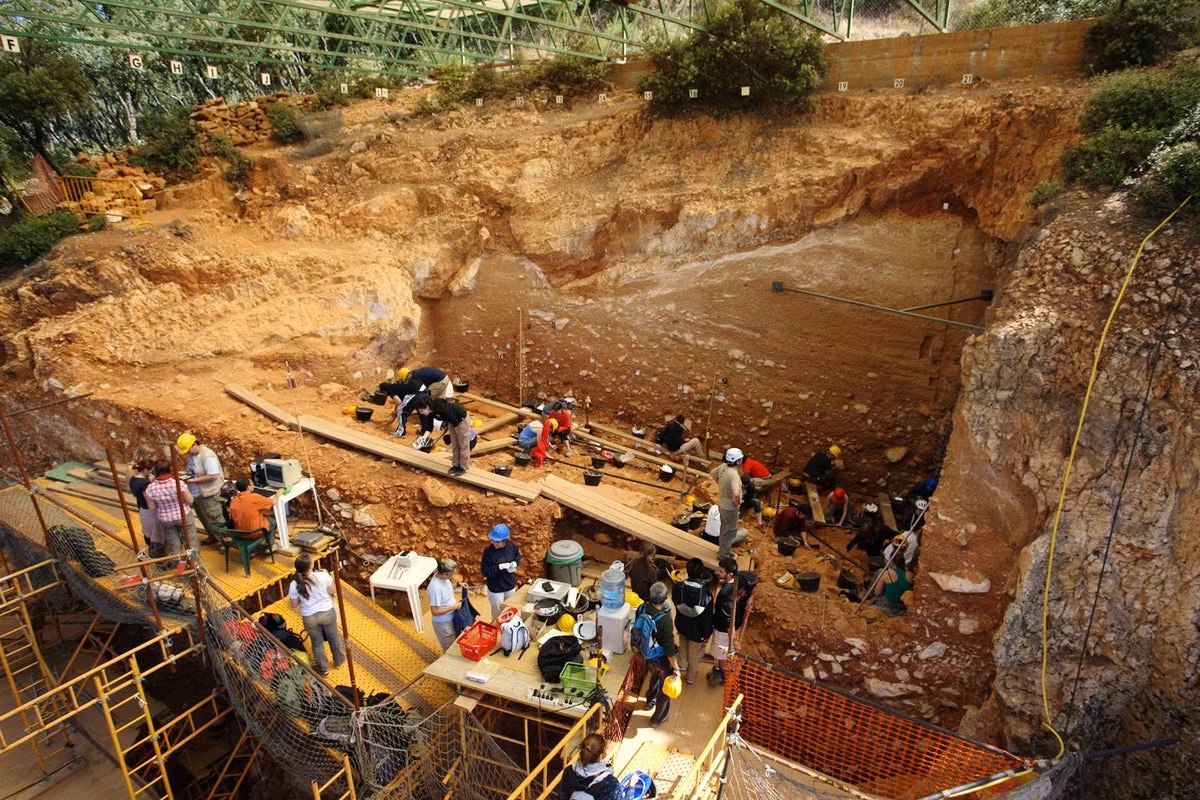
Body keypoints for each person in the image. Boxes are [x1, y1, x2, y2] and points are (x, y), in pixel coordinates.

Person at [287, 553, 346, 676]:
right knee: (333, 638)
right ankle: (339, 661)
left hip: (309, 617)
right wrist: (328, 576)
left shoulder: (294, 584)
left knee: (316, 643)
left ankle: (323, 669)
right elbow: (333, 591)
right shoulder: (323, 576)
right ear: (311, 566)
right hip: (327, 612)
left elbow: (294, 604)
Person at [708, 558, 754, 687]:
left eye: (721, 571)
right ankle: (718, 669)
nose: (717, 572)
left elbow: (728, 623)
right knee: (722, 654)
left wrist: (733, 640)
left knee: (722, 655)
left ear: (730, 574)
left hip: (724, 631)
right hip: (736, 624)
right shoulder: (743, 580)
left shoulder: (724, 594)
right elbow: (748, 595)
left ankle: (725, 675)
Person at [640, 582, 679, 727]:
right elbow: (669, 646)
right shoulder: (665, 619)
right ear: (665, 599)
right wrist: (675, 667)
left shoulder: (642, 608)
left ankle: (650, 701)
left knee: (654, 676)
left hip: (647, 654)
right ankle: (658, 718)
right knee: (665, 689)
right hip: (661, 658)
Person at [143, 461, 196, 563]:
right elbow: (190, 500)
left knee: (174, 547)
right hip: (183, 516)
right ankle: (195, 567)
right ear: (169, 470)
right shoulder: (178, 483)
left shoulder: (150, 488)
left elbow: (152, 508)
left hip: (165, 519)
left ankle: (181, 570)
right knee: (191, 543)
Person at [177, 432, 225, 542]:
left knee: (215, 519)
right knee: (204, 517)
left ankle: (224, 541)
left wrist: (193, 480)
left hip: (209, 494)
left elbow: (213, 475)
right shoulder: (193, 456)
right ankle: (213, 536)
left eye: (188, 450)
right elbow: (195, 471)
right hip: (197, 493)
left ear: (194, 445)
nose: (187, 453)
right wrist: (184, 474)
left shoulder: (207, 456)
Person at [672, 558, 713, 685]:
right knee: (695, 654)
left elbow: (675, 602)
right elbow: (707, 618)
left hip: (682, 625)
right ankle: (690, 677)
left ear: (687, 572)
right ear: (701, 574)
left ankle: (681, 666)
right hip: (697, 631)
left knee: (683, 644)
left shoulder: (678, 588)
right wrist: (707, 634)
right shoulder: (706, 595)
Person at [413, 396, 472, 476]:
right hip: (451, 422)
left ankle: (463, 467)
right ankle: (455, 465)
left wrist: (457, 430)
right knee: (455, 444)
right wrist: (424, 438)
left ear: (427, 407)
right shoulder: (430, 413)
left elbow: (453, 419)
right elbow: (429, 427)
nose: (421, 413)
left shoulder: (441, 407)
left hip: (461, 420)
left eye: (421, 410)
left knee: (462, 444)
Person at [558, 732, 620, 800]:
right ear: (601, 755)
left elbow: (562, 797)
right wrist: (631, 787)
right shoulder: (610, 782)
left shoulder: (569, 771)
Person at [710, 448, 744, 561]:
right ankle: (723, 556)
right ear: (737, 461)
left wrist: (721, 485)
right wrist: (737, 503)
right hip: (730, 507)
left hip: (722, 502)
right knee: (729, 531)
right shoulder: (734, 475)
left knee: (725, 527)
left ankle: (723, 550)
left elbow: (712, 474)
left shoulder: (723, 467)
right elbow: (735, 493)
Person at [480, 524, 520, 620]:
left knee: (510, 610)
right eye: (493, 541)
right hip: (495, 589)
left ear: (504, 540)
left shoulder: (511, 547)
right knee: (497, 614)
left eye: (497, 541)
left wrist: (515, 563)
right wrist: (498, 567)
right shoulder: (488, 553)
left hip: (510, 586)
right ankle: (497, 631)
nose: (494, 543)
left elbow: (517, 556)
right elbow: (485, 571)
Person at [129, 457, 165, 559]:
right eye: (150, 471)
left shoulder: (132, 480)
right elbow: (150, 502)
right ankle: (158, 556)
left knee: (147, 532)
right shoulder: (144, 484)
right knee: (155, 534)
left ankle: (153, 552)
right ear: (145, 470)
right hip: (150, 512)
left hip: (142, 509)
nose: (151, 473)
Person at [427, 558, 461, 652]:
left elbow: (446, 589)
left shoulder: (443, 578)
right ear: (445, 574)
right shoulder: (435, 588)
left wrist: (458, 585)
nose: (452, 576)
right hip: (443, 623)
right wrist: (454, 607)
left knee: (455, 644)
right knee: (449, 649)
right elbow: (435, 611)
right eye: (451, 574)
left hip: (451, 617)